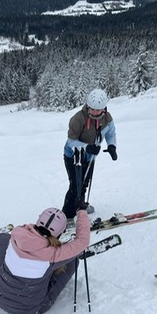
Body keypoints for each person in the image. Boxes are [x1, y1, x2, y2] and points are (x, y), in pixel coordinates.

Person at [0, 205, 90, 314]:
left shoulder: (17, 234)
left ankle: (9, 265)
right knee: (72, 260)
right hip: (31, 309)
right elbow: (82, 242)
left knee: (3, 238)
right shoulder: (54, 254)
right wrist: (81, 211)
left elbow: (4, 238)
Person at [62, 88, 118, 219]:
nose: (95, 112)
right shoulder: (78, 118)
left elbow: (111, 133)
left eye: (98, 110)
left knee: (85, 183)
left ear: (104, 108)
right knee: (76, 185)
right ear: (88, 106)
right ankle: (67, 215)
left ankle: (80, 207)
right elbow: (71, 141)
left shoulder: (107, 118)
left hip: (90, 157)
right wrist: (87, 147)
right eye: (92, 109)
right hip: (73, 155)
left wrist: (112, 146)